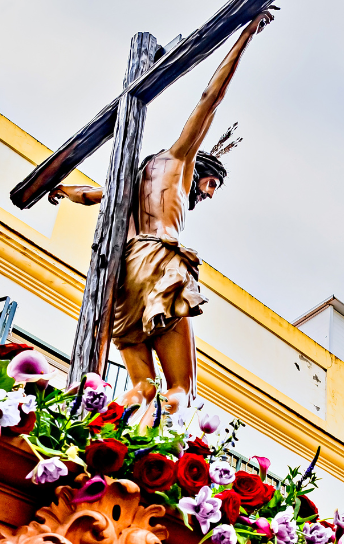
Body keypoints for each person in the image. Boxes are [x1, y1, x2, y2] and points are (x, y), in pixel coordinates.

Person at [49, 9, 275, 422]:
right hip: (159, 263)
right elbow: (210, 99)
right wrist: (245, 36)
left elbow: (91, 194)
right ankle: (165, 455)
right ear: (200, 168)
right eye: (211, 185)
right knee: (181, 390)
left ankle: (107, 442)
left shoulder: (127, 180)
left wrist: (60, 189)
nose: (207, 195)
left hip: (119, 279)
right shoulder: (178, 161)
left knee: (141, 388)